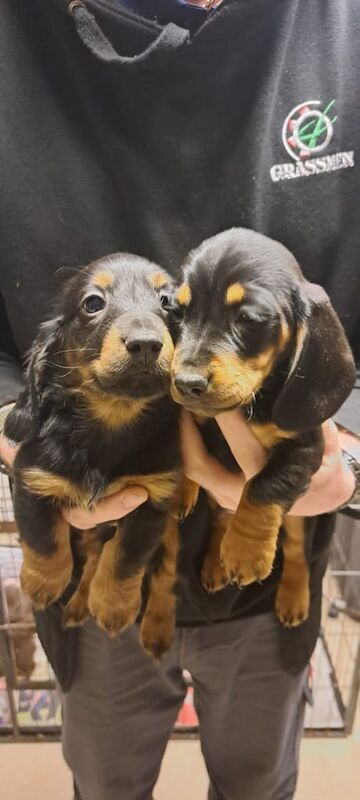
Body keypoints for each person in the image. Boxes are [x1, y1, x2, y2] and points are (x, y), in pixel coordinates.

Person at [0, 1, 359, 798]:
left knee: (257, 782)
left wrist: (352, 451)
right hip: (94, 575)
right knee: (106, 780)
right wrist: (16, 431)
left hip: (273, 573)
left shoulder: (346, 33)